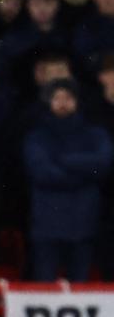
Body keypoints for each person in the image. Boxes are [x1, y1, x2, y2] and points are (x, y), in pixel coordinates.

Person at [24, 78, 113, 282]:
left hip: (84, 225)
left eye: (68, 98)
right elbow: (41, 172)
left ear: (77, 101)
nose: (62, 102)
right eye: (57, 98)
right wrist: (83, 174)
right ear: (49, 102)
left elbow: (102, 164)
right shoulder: (37, 136)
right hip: (46, 226)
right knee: (45, 290)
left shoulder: (95, 134)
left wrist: (62, 159)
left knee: (79, 290)